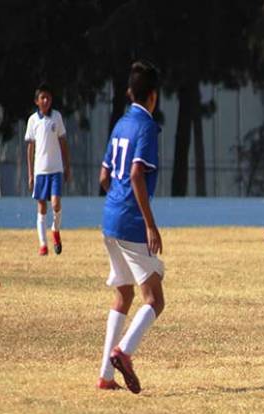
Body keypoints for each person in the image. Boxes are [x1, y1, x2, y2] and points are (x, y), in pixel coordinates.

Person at [97, 61, 165, 394]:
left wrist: (118, 205)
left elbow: (104, 177)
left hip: (109, 220)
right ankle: (123, 352)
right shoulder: (147, 127)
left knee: (123, 293)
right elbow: (137, 173)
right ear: (153, 96)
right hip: (130, 222)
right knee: (154, 299)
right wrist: (149, 225)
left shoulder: (121, 124)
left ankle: (105, 376)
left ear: (129, 93)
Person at [25, 83, 71, 256]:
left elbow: (63, 142)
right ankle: (43, 245)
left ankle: (55, 230)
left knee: (56, 203)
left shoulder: (57, 117)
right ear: (37, 101)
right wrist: (30, 173)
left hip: (56, 169)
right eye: (42, 97)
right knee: (42, 206)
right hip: (40, 170)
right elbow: (30, 147)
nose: (45, 100)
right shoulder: (33, 120)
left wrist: (67, 166)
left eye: (48, 97)